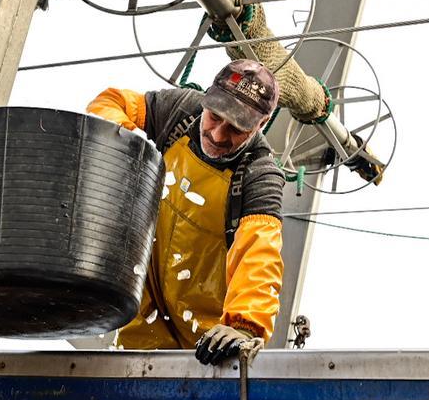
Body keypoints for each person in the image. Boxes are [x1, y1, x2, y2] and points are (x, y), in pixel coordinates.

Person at [87, 59, 285, 365]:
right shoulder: (178, 111)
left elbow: (259, 256)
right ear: (206, 98)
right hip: (140, 328)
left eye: (236, 128)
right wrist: (126, 147)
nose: (218, 135)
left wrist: (244, 326)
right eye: (215, 117)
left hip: (206, 351)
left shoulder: (259, 173)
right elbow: (111, 103)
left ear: (261, 125)